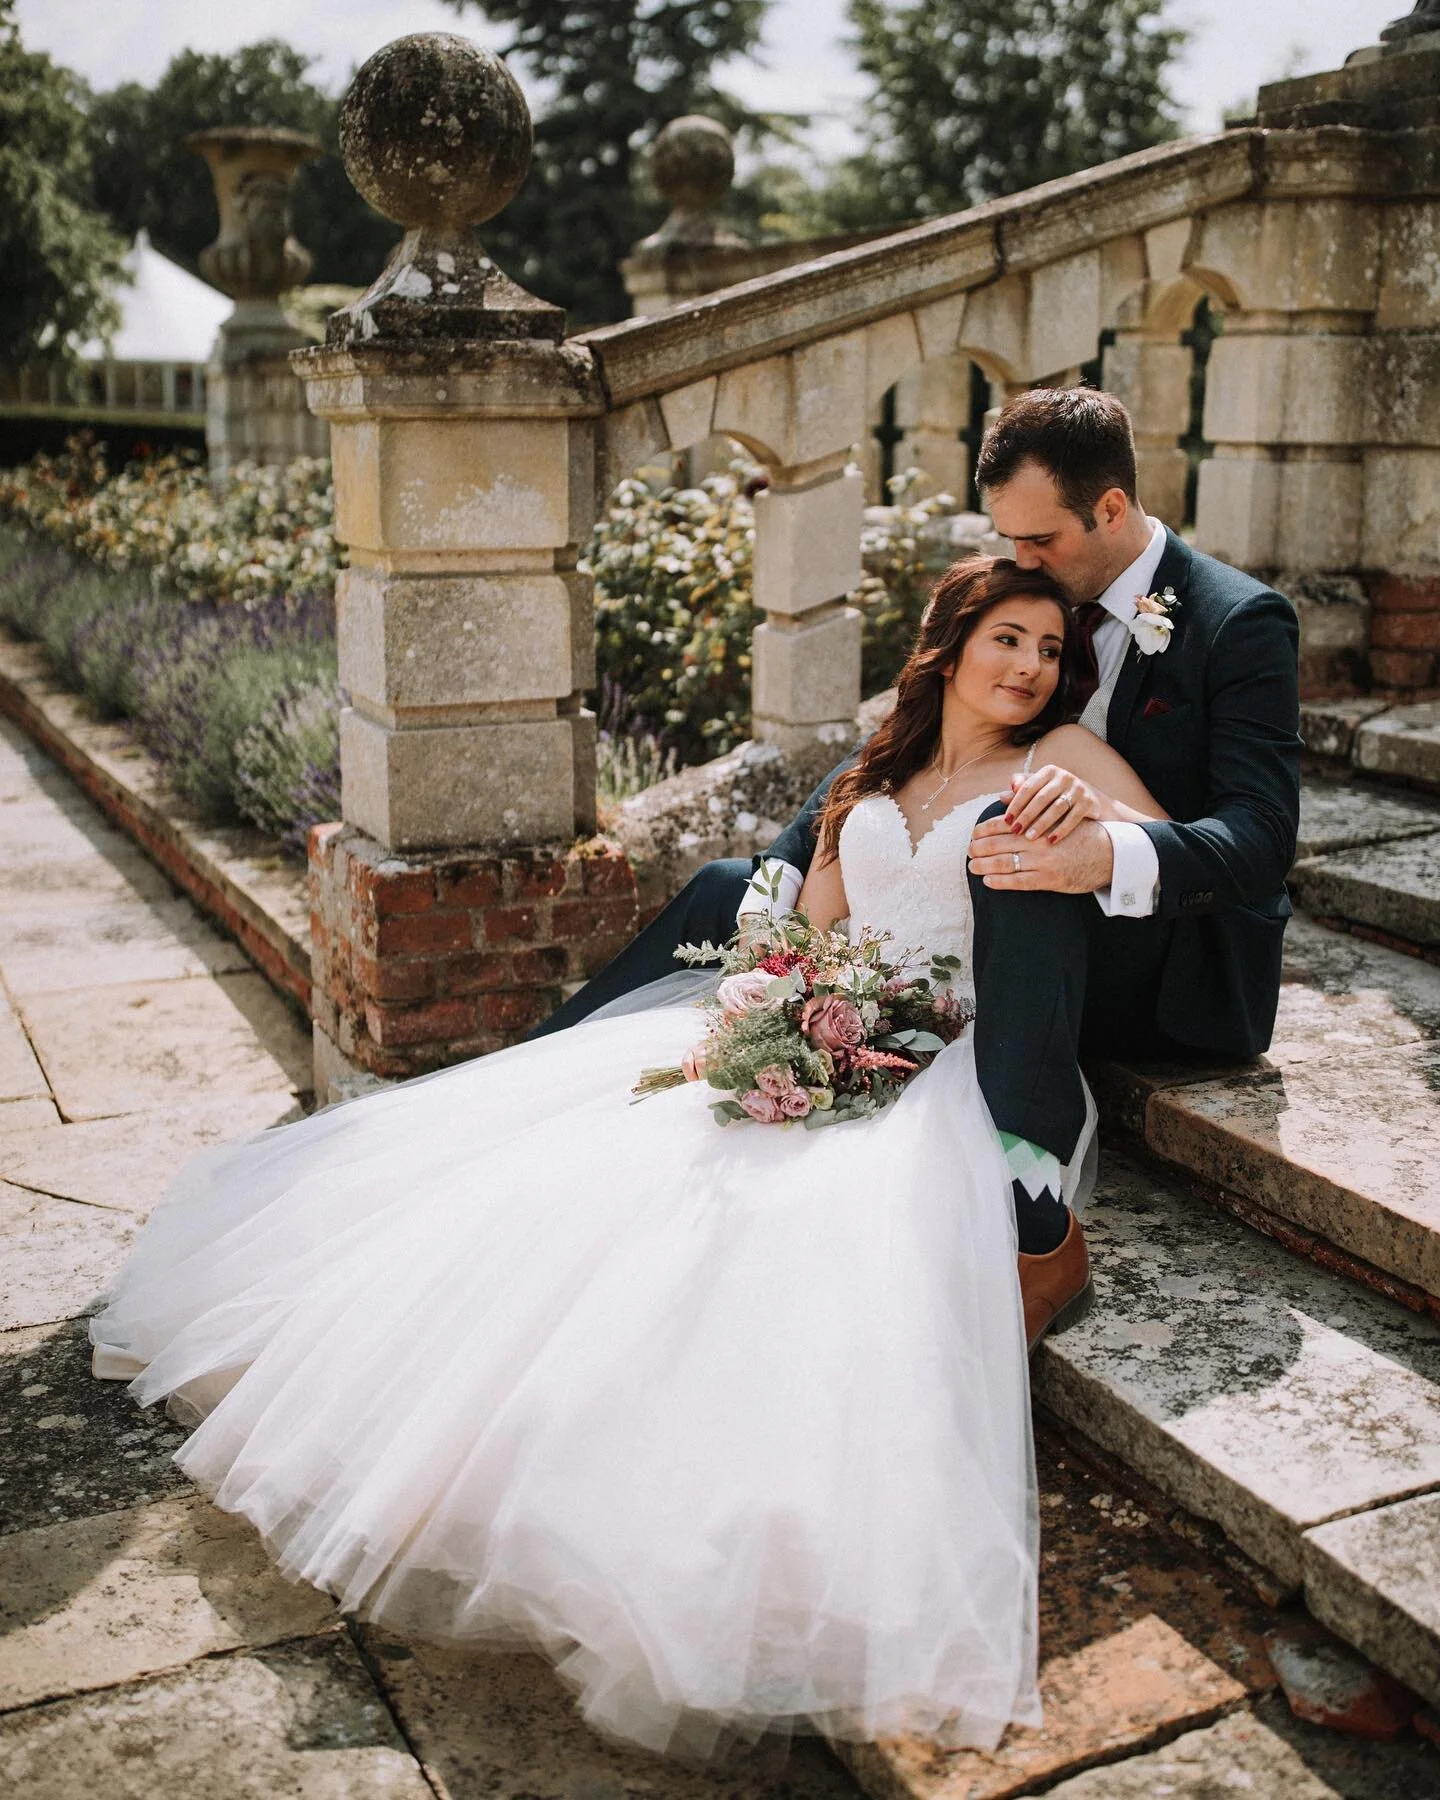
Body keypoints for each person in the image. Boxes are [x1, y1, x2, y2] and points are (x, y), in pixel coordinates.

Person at [91, 558, 1164, 1761]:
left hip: (958, 1059)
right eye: (1008, 640)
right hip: (830, 1021)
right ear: (953, 643)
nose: (1031, 669)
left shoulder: (1065, 757)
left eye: (1050, 651)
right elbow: (819, 923)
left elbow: (1168, 853)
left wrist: (1098, 827)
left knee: (799, 1229)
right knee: (617, 1175)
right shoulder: (879, 766)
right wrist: (785, 1001)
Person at [535, 388, 1302, 1350]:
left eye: (1041, 541)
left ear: (1110, 510)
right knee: (731, 887)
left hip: (1163, 951)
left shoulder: (1236, 622)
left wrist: (1103, 848)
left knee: (1007, 848)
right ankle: (542, 1056)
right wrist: (785, 909)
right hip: (990, 920)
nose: (1021, 564)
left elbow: (1263, 840)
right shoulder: (1031, 600)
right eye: (1009, 541)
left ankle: (1035, 1219)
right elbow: (908, 753)